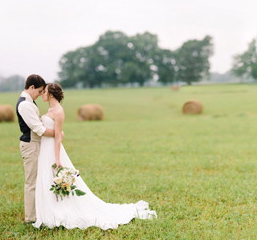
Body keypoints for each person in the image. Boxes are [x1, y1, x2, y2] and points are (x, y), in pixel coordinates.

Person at [33, 83, 157, 230]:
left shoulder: (59, 111)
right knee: (46, 178)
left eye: (45, 91)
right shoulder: (50, 109)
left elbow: (58, 137)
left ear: (51, 94)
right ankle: (48, 209)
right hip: (45, 148)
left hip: (53, 150)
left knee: (55, 178)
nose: (42, 94)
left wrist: (58, 159)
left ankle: (57, 211)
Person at [16, 74, 58, 224]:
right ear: (32, 87)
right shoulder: (25, 105)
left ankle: (41, 212)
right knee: (31, 182)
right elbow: (38, 129)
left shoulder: (30, 102)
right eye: (40, 91)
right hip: (31, 145)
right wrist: (57, 134)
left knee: (40, 180)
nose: (41, 95)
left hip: (37, 144)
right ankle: (31, 217)